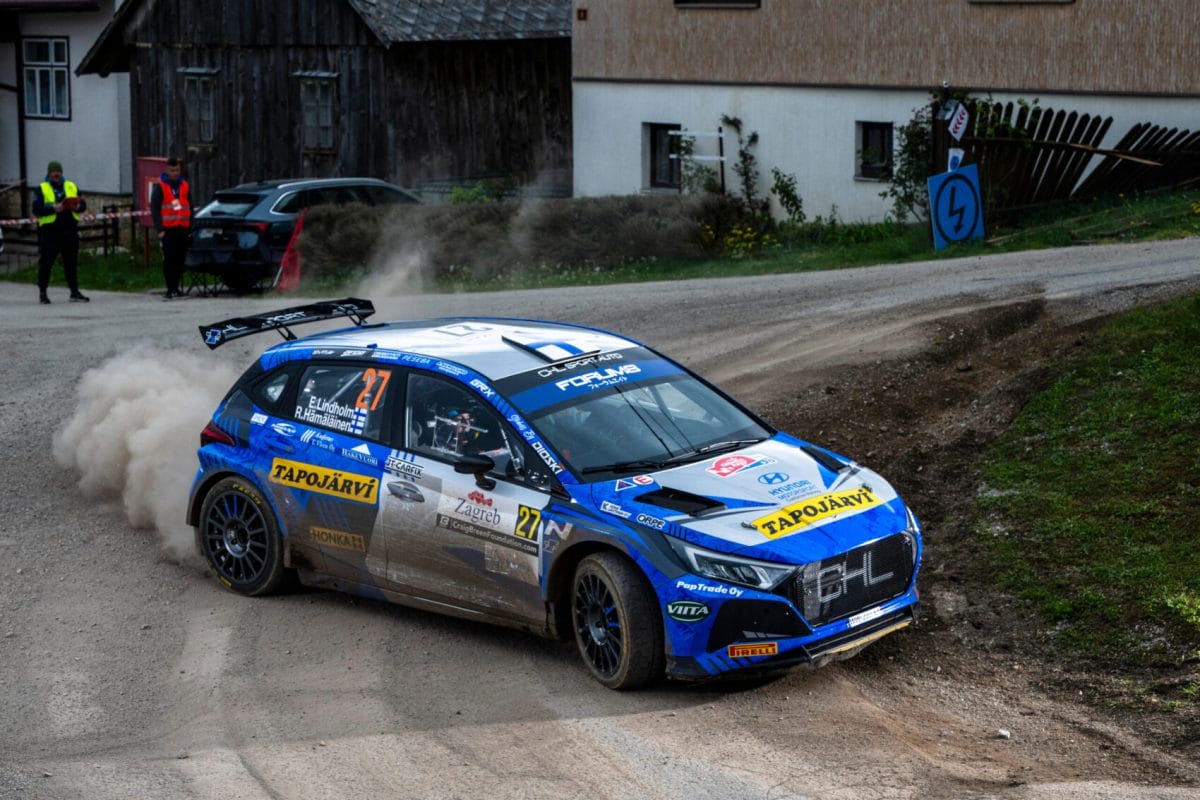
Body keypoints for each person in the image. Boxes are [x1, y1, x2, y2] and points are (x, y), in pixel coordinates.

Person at [32, 160, 89, 304]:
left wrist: (78, 207)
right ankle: (43, 293)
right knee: (46, 263)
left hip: (70, 230)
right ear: (49, 173)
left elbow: (83, 204)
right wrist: (53, 209)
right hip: (51, 232)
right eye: (53, 172)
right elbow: (36, 209)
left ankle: (74, 292)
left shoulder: (71, 186)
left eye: (58, 171)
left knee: (71, 263)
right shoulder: (42, 188)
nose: (56, 174)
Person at [150, 157, 192, 298]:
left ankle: (176, 287)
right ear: (167, 171)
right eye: (172, 170)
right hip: (168, 229)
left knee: (180, 260)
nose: (175, 173)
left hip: (182, 228)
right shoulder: (160, 187)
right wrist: (160, 229)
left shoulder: (184, 185)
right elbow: (155, 209)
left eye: (177, 170)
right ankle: (170, 288)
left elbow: (190, 206)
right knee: (169, 260)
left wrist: (190, 226)